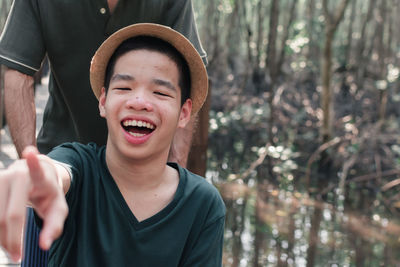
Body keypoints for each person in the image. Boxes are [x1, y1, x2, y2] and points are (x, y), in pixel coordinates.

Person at [0, 23, 225, 267]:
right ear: (103, 102)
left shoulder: (203, 204)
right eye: (124, 87)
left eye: (160, 92)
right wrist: (34, 177)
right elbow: (54, 173)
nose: (139, 102)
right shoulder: (79, 167)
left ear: (184, 113)